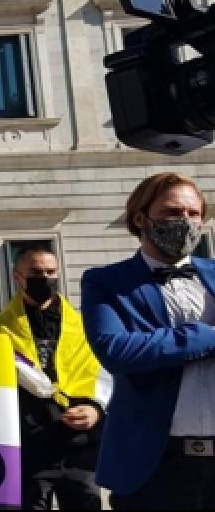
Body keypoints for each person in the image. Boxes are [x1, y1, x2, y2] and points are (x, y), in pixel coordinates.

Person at [81, 172, 215, 509]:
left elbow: (144, 346)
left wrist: (159, 345)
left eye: (194, 213)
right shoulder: (107, 282)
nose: (185, 221)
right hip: (154, 465)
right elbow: (117, 351)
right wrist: (207, 336)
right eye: (172, 212)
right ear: (141, 218)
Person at [0, 245, 106, 510]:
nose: (45, 278)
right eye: (36, 272)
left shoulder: (87, 327)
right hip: (31, 449)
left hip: (80, 448)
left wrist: (96, 410)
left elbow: (107, 378)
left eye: (51, 272)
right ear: (17, 277)